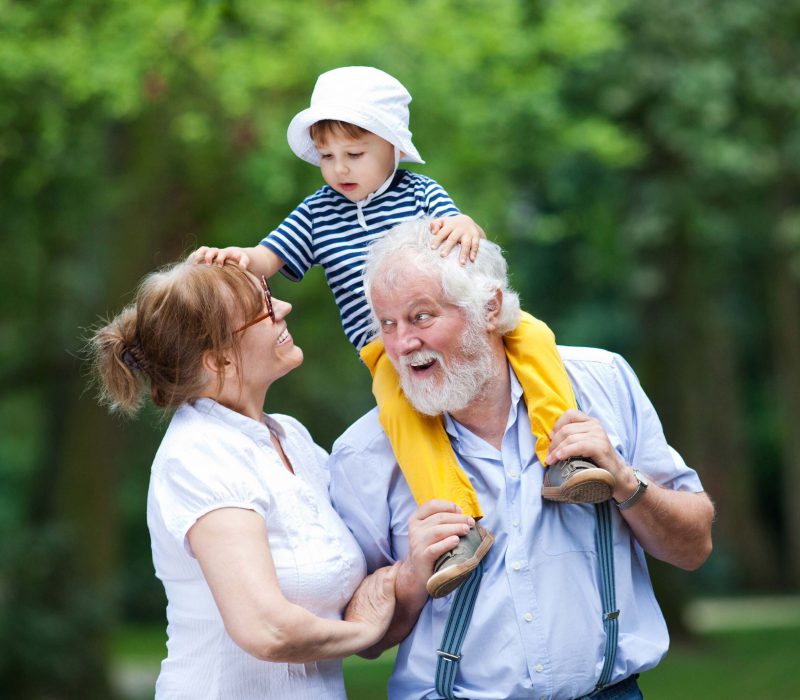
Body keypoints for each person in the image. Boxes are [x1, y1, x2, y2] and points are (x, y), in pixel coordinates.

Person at [194, 65, 614, 599]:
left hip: (451, 320)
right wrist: (238, 258)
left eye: (355, 153)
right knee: (403, 414)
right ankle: (456, 522)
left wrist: (465, 226)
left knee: (534, 337)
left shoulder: (421, 193)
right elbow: (267, 257)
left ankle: (564, 455)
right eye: (327, 157)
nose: (339, 168)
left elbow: (458, 227)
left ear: (392, 147)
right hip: (383, 347)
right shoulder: (317, 213)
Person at [328, 219, 715, 700]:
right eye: (387, 323)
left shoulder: (604, 382)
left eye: (422, 317)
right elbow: (362, 640)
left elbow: (694, 547)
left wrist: (624, 481)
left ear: (489, 308)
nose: (402, 344)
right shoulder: (361, 454)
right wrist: (409, 579)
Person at [88, 259, 397, 699]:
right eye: (264, 308)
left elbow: (361, 605)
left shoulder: (292, 438)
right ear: (217, 359)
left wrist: (412, 570)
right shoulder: (199, 455)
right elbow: (267, 628)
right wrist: (363, 630)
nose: (285, 308)